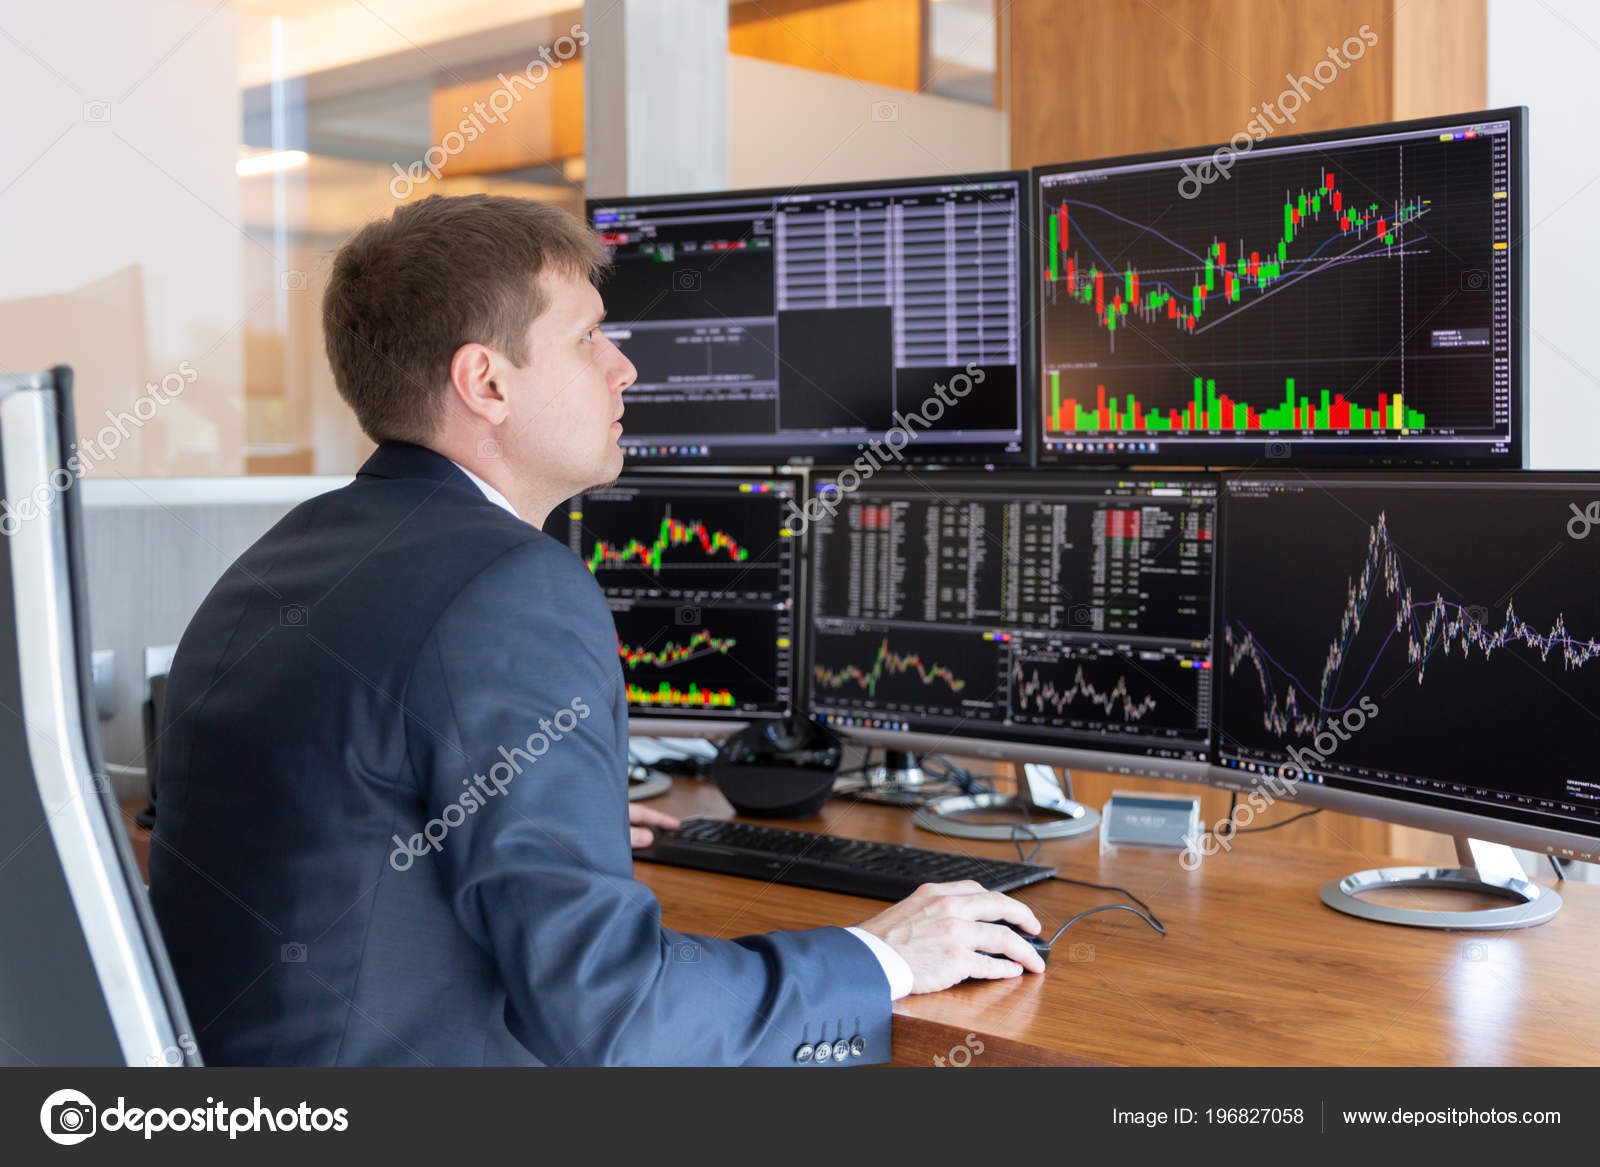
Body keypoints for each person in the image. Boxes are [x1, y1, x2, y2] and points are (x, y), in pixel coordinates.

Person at [148, 194, 1044, 1067]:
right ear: (486, 382)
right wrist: (882, 956)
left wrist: (525, 809)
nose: (624, 368)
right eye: (587, 338)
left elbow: (331, 819)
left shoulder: (274, 561)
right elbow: (615, 1019)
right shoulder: (509, 585)